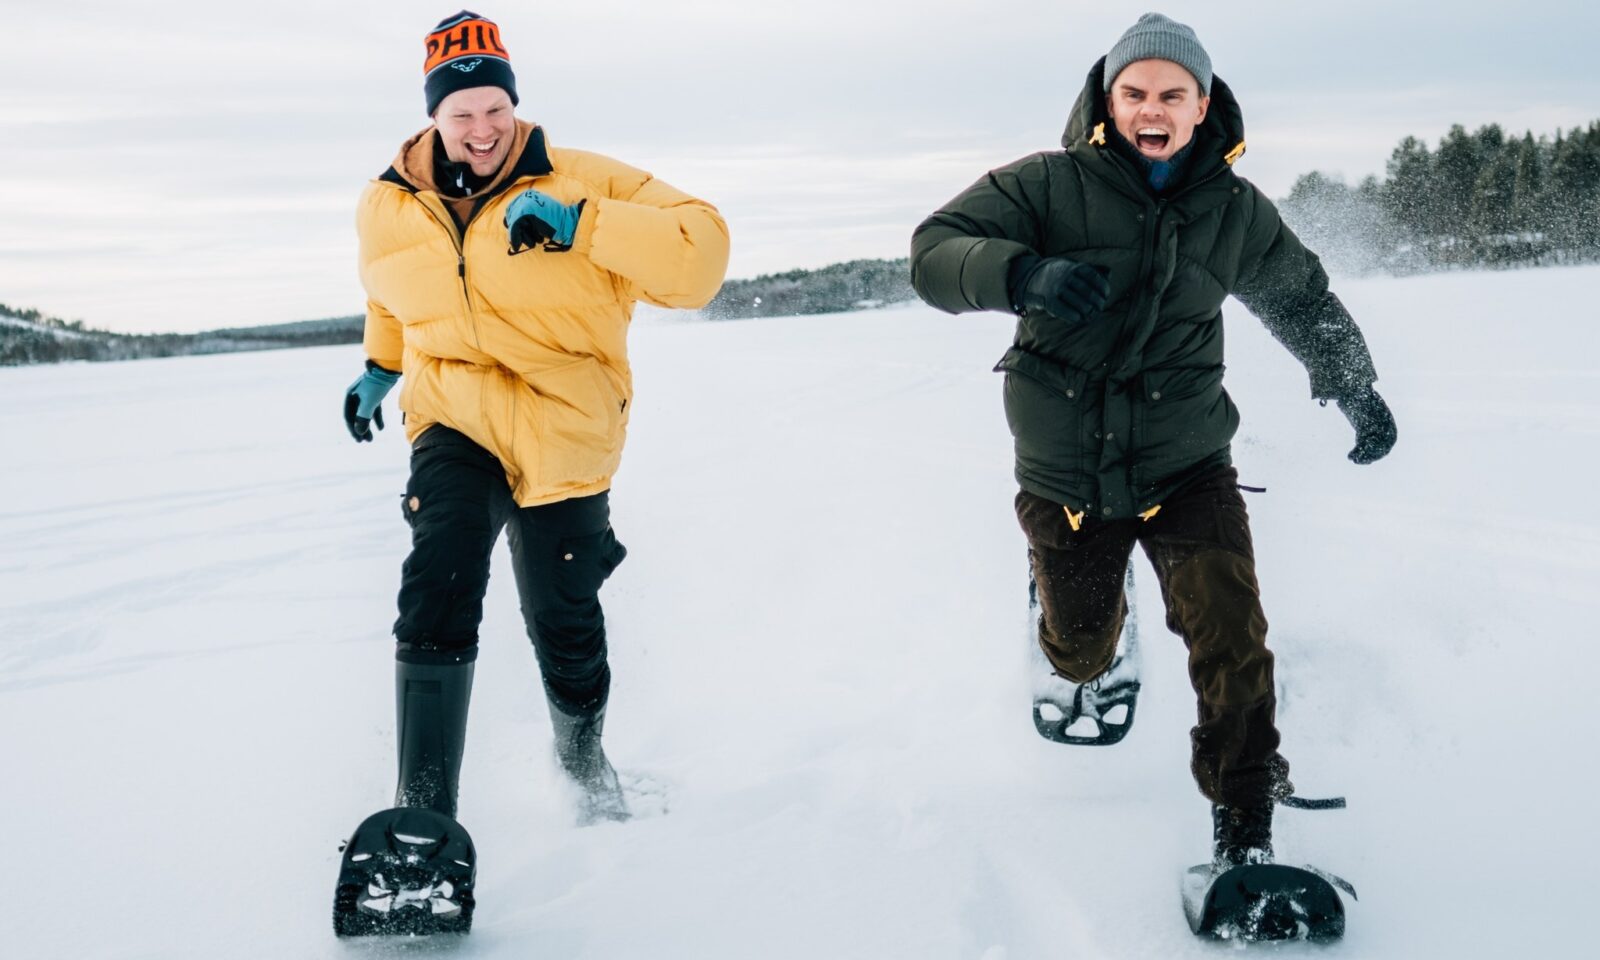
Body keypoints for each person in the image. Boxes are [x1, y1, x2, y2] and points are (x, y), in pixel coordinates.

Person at [908, 13, 1396, 866]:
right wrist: (1022, 273)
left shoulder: (1233, 211)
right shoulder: (1047, 186)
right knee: (1080, 651)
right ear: (1110, 101)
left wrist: (1354, 382)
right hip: (1069, 474)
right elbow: (933, 252)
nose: (1151, 109)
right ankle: (1065, 622)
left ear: (1203, 106)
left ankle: (1245, 833)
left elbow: (1299, 297)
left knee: (1233, 640)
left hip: (1188, 461)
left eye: (1173, 94)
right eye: (1134, 92)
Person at [343, 10, 729, 826]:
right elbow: (389, 290)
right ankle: (422, 817)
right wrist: (380, 368)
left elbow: (702, 255)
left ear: (514, 102)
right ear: (433, 115)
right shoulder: (385, 204)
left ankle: (584, 763)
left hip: (566, 425)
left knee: (563, 615)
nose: (482, 129)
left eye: (496, 108)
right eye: (462, 113)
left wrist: (584, 224)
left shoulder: (580, 178)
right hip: (453, 412)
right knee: (441, 568)